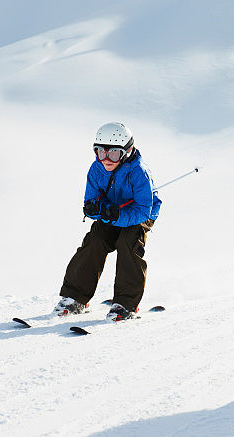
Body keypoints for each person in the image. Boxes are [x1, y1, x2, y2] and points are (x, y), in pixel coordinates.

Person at [54, 122, 161, 322]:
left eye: (113, 154)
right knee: (95, 240)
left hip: (139, 216)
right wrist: (95, 209)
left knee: (127, 243)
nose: (106, 159)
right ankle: (76, 298)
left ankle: (126, 304)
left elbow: (143, 210)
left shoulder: (139, 171)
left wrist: (116, 215)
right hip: (112, 213)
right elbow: (91, 199)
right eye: (100, 152)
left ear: (127, 152)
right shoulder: (96, 169)